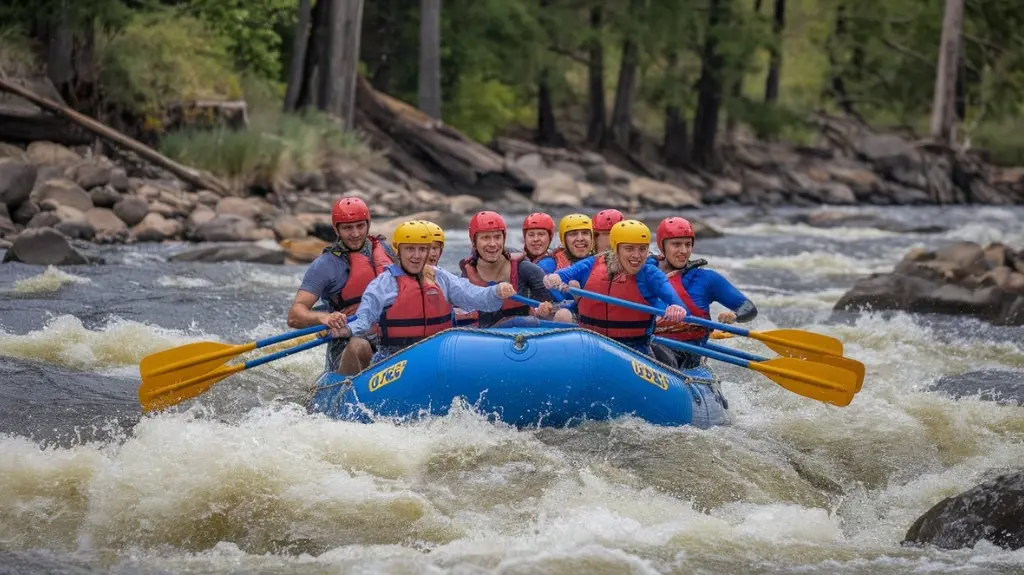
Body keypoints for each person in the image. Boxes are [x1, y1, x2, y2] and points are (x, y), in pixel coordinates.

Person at [330, 221, 519, 369]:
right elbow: (363, 320)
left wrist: (496, 291)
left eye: (422, 249)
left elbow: (475, 297)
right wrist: (345, 330)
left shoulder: (442, 278)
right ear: (398, 250)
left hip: (439, 357)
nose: (417, 256)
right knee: (357, 344)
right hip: (395, 360)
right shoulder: (382, 284)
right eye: (410, 249)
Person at [543, 220, 687, 356]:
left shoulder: (650, 274)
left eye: (642, 249)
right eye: (629, 248)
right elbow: (565, 274)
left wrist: (676, 309)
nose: (637, 256)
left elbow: (678, 304)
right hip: (590, 343)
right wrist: (553, 278)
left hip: (633, 351)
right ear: (616, 248)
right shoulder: (593, 263)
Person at [288, 197, 394, 374]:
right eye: (347, 228)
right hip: (347, 342)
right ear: (336, 229)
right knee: (360, 346)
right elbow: (294, 316)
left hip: (388, 336)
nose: (355, 234)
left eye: (360, 226)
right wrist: (322, 318)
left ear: (368, 224)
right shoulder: (324, 265)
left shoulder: (385, 250)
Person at [651, 216, 758, 369]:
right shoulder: (645, 274)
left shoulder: (707, 279)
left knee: (656, 349)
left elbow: (749, 308)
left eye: (688, 244)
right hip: (649, 344)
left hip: (687, 354)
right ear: (662, 246)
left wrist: (735, 316)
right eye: (676, 244)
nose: (684, 251)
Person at [456, 211, 556, 327]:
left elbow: (553, 308)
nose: (493, 244)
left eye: (497, 237)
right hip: (484, 339)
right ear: (474, 242)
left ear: (504, 239)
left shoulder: (524, 268)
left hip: (520, 337)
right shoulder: (467, 276)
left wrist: (545, 311)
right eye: (485, 238)